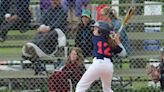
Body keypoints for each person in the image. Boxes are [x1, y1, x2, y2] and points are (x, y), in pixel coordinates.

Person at [75, 21, 127, 92]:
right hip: (109, 66)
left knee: (80, 87)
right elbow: (123, 54)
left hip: (98, 64)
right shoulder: (110, 41)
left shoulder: (94, 38)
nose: (93, 30)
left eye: (96, 29)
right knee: (107, 89)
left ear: (100, 31)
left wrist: (112, 37)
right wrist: (117, 41)